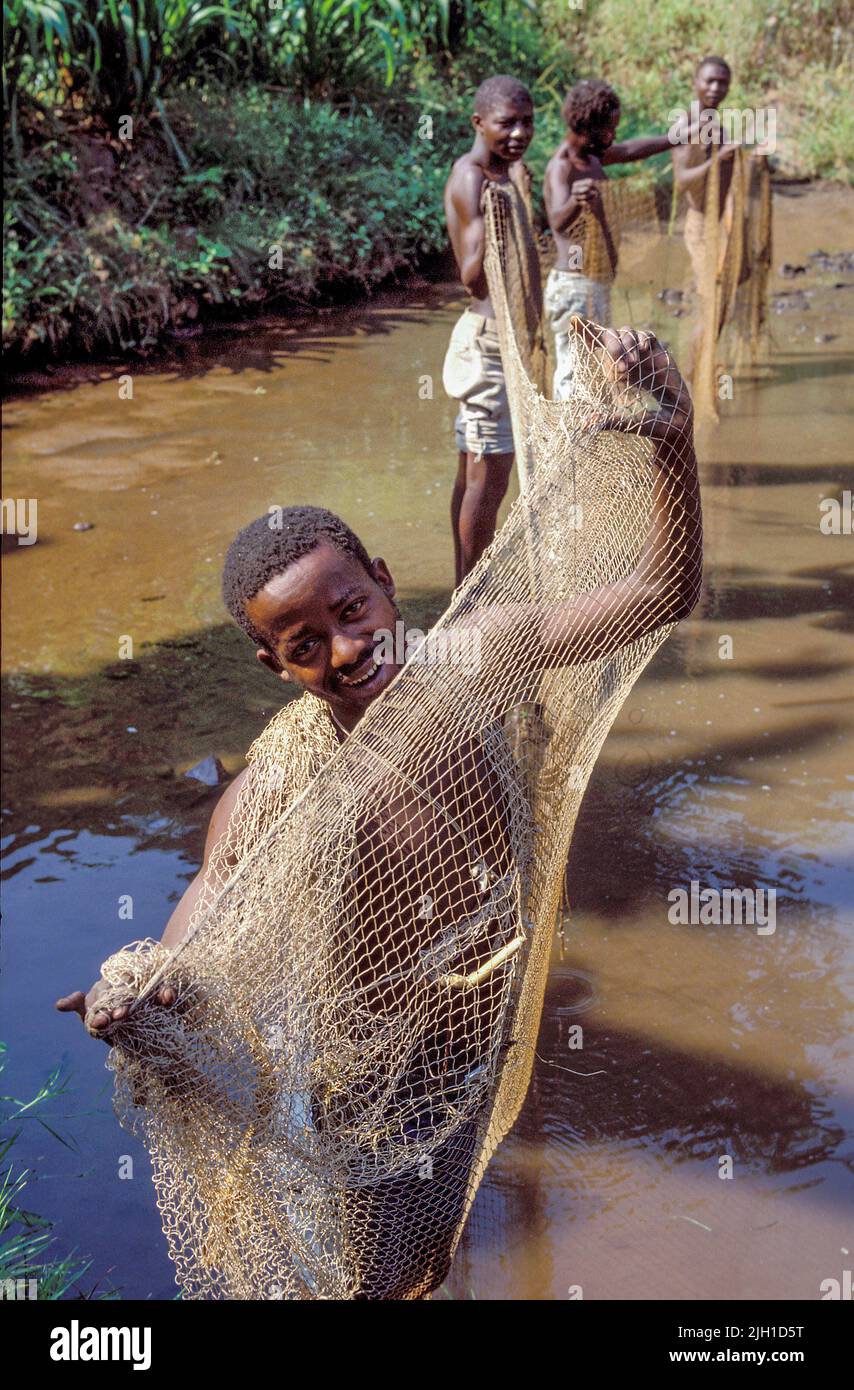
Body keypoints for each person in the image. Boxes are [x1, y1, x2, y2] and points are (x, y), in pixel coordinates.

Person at [57, 327, 702, 1298]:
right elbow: (214, 887)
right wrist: (154, 979)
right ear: (274, 666)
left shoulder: (481, 657)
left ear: (386, 585)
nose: (345, 649)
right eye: (305, 643)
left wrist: (666, 439)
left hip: (491, 1012)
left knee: (463, 1209)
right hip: (378, 1068)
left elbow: (660, 588)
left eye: (350, 611)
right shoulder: (279, 778)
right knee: (386, 1267)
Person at [443, 74, 536, 585]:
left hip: (501, 341)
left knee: (473, 474)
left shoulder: (503, 173)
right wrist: (495, 213)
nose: (520, 133)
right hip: (487, 344)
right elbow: (471, 275)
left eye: (528, 123)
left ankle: (464, 590)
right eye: (507, 124)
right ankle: (473, 598)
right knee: (488, 475)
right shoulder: (473, 178)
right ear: (479, 123)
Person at [543, 79, 688, 400]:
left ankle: (587, 436)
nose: (614, 136)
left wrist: (675, 138)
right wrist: (574, 202)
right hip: (574, 286)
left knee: (594, 371)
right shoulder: (562, 167)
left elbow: (629, 151)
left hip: (595, 283)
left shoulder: (592, 158)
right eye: (609, 129)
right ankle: (571, 444)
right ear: (588, 127)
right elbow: (556, 221)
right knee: (573, 372)